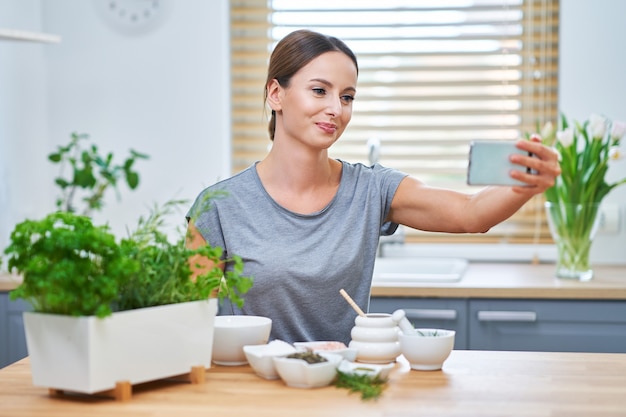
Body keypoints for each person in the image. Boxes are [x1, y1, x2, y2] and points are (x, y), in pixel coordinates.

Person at [186, 29, 560, 345]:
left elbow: (470, 214)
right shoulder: (220, 207)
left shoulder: (370, 190)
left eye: (347, 96)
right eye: (320, 91)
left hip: (345, 387)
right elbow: (191, 324)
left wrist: (525, 185)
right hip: (252, 393)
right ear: (276, 94)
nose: (337, 108)